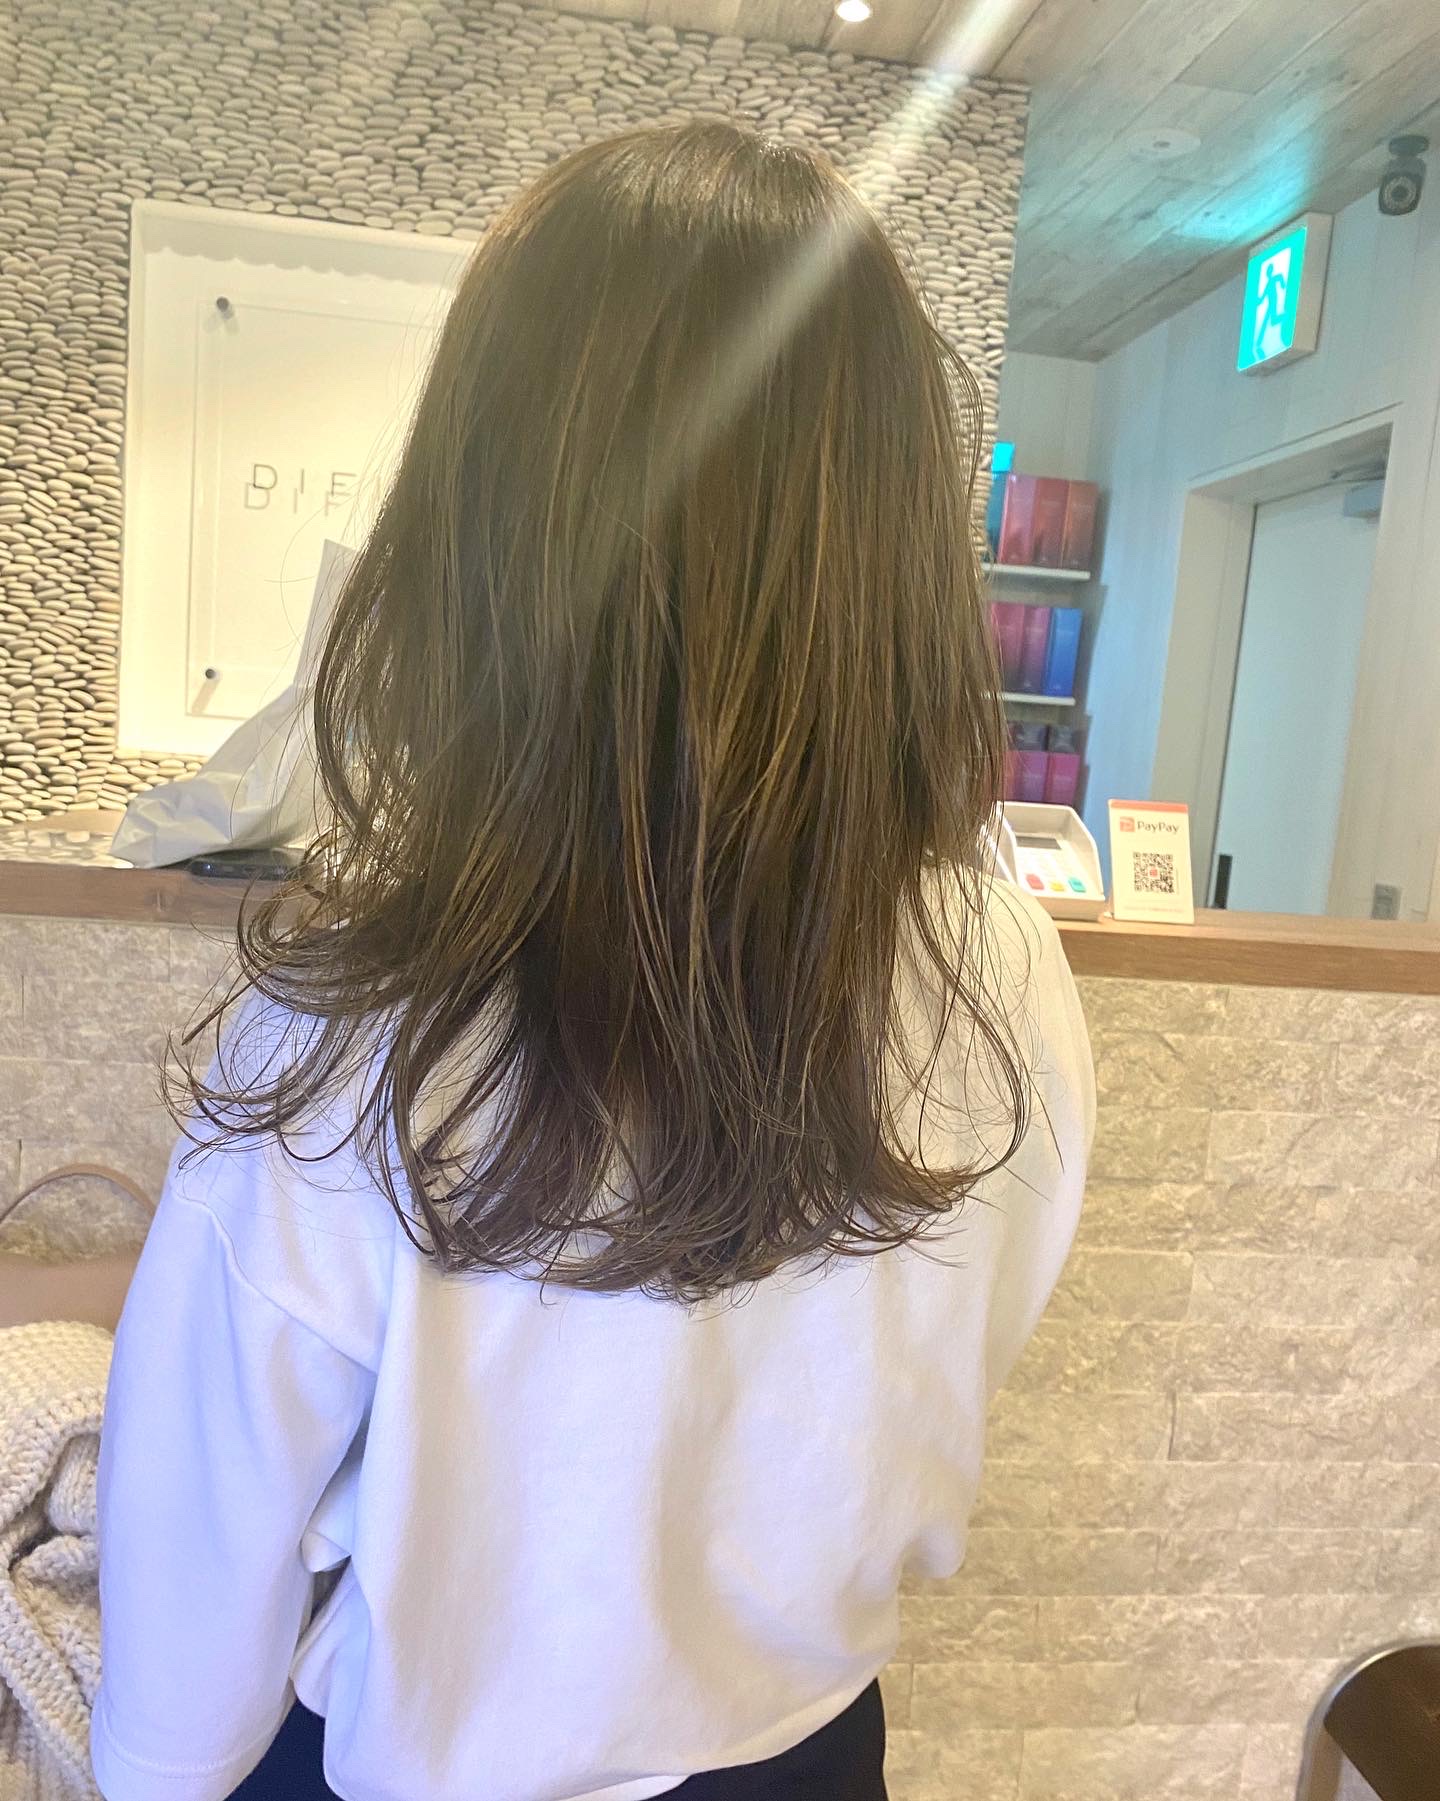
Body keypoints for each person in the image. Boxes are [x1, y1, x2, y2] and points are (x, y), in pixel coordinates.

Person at [92, 119, 1094, 1801]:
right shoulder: (1004, 962)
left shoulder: (371, 1016)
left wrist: (149, 1772)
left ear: (487, 524)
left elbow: (196, 1568)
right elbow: (947, 1349)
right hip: (807, 1755)